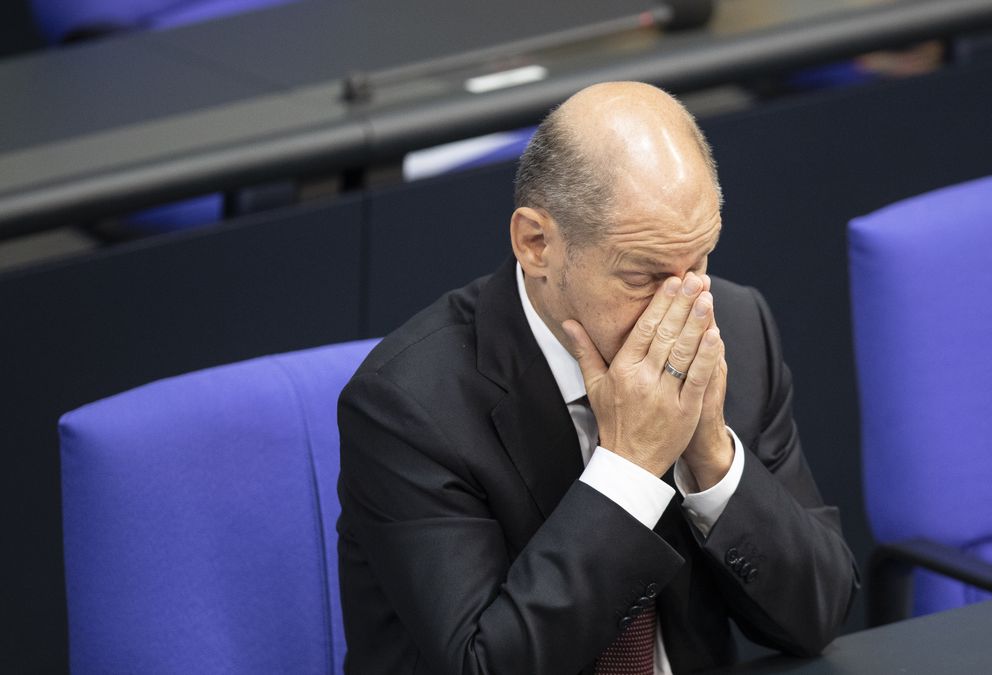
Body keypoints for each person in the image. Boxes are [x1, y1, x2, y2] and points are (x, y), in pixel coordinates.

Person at [337, 81, 858, 675]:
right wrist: (630, 468)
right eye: (642, 277)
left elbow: (820, 613)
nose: (682, 308)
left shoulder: (734, 326)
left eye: (701, 262)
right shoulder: (409, 407)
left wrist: (711, 456)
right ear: (537, 245)